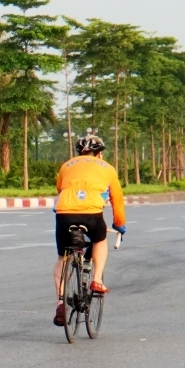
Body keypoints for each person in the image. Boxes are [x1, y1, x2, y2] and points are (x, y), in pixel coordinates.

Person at [53, 129, 126, 327]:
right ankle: (97, 280)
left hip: (64, 213)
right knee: (99, 240)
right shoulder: (108, 168)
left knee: (62, 258)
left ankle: (60, 302)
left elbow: (60, 190)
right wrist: (119, 224)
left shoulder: (66, 165)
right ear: (99, 153)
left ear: (79, 153)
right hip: (92, 213)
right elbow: (116, 200)